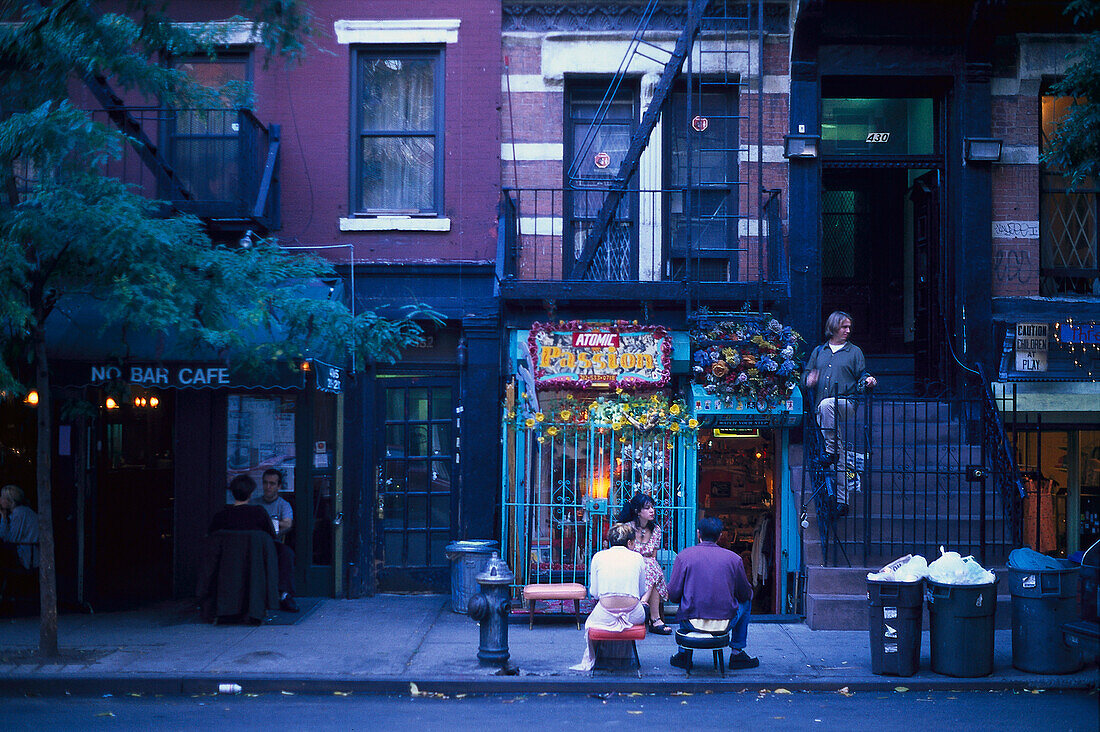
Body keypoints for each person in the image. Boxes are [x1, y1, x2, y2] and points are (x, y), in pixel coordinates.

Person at [802, 311, 877, 514]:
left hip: (845, 403)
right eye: (844, 327)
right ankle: (842, 502)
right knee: (841, 453)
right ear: (834, 327)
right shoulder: (819, 351)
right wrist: (808, 380)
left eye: (849, 327)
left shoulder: (854, 352)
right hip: (822, 408)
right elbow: (806, 375)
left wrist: (869, 381)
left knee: (828, 406)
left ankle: (831, 451)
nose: (848, 331)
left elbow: (862, 376)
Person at [667, 516, 758, 670]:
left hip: (691, 622)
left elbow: (674, 594)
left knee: (684, 600)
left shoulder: (684, 556)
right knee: (747, 602)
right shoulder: (734, 559)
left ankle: (683, 653)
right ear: (720, 535)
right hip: (725, 623)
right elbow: (745, 594)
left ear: (698, 534)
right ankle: (737, 652)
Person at [211, 475, 298, 612]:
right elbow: (270, 535)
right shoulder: (258, 513)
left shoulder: (220, 516)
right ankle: (282, 594)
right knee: (285, 553)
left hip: (228, 558)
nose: (268, 487)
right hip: (255, 555)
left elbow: (211, 539)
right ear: (251, 493)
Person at [570, 523, 647, 671]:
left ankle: (601, 658)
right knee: (642, 609)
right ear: (630, 543)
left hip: (605, 614)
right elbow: (641, 590)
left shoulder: (598, 556)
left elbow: (595, 592)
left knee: (591, 622)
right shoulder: (638, 558)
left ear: (609, 542)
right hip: (633, 615)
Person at [616, 491, 673, 634]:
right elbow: (621, 553)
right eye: (647, 508)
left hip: (648, 569)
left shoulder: (656, 530)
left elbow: (653, 556)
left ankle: (643, 603)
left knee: (650, 564)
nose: (652, 510)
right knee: (650, 566)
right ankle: (655, 619)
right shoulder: (627, 528)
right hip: (627, 565)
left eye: (652, 507)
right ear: (638, 511)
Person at [0, 485, 39, 574]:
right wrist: (4, 517)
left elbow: (11, 538)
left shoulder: (19, 512)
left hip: (28, 557)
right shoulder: (18, 512)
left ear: (10, 500)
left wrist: (4, 519)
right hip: (26, 553)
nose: (0, 500)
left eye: (2, 497)